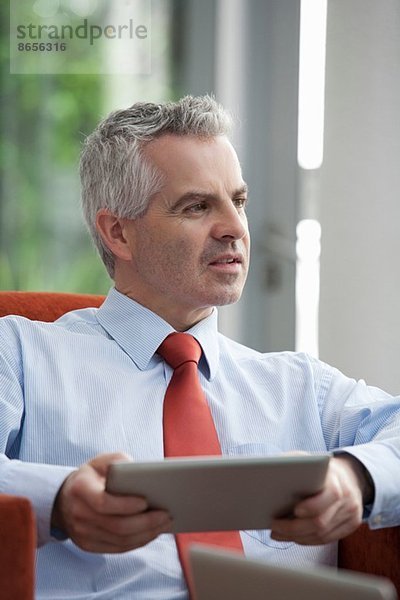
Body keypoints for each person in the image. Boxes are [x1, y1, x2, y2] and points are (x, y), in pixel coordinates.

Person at [0, 95, 399, 599]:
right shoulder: (18, 352)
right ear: (118, 231)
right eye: (197, 206)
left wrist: (355, 477)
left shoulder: (302, 386)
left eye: (239, 201)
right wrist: (55, 500)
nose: (235, 228)